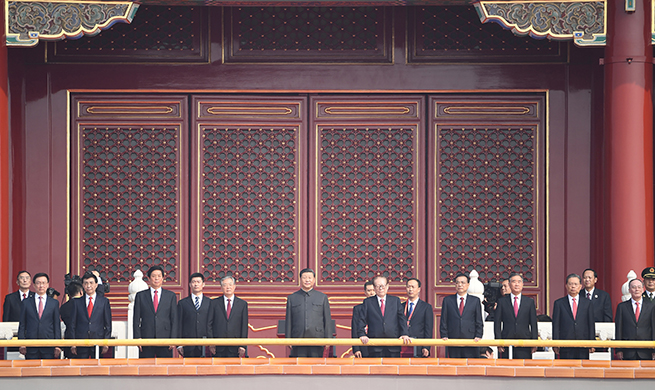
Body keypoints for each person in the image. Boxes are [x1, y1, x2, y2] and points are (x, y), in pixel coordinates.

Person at [357, 276, 411, 357]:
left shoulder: (395, 301)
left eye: (383, 285)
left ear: (388, 286)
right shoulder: (368, 302)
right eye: (378, 286)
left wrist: (404, 334)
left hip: (393, 344)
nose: (381, 288)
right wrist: (362, 334)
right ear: (374, 288)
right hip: (375, 345)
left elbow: (402, 319)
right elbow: (361, 320)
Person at [133, 265, 179, 358]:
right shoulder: (141, 296)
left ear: (162, 278)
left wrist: (173, 339)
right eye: (153, 276)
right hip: (146, 337)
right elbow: (136, 319)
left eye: (159, 276)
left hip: (165, 338)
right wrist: (137, 338)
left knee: (165, 368)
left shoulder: (170, 296)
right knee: (145, 367)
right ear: (149, 278)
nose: (156, 278)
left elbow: (174, 319)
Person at [285, 268, 332, 357]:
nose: (307, 280)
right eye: (304, 277)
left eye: (310, 277)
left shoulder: (322, 297)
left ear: (314, 280)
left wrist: (328, 338)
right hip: (297, 338)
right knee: (299, 368)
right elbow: (289, 320)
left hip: (317, 338)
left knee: (316, 367)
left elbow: (327, 319)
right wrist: (288, 338)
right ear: (300, 279)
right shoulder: (292, 298)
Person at [493, 273, 538, 359]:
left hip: (525, 342)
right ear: (509, 284)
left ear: (522, 284)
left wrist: (534, 342)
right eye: (514, 282)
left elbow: (533, 323)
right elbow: (497, 323)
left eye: (519, 282)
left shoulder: (529, 302)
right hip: (506, 341)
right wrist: (498, 341)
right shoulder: (502, 302)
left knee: (523, 370)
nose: (516, 284)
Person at [17, 273, 61, 359]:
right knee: (32, 371)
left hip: (49, 345)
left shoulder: (54, 303)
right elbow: (22, 324)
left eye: (44, 283)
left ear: (48, 284)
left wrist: (57, 345)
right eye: (38, 283)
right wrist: (22, 343)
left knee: (48, 371)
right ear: (33, 285)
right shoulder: (26, 302)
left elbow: (57, 325)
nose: (41, 285)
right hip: (31, 345)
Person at [440, 272, 483, 358]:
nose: (460, 285)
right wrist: (444, 335)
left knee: (470, 366)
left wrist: (478, 335)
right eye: (457, 282)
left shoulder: (475, 301)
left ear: (468, 285)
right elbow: (444, 319)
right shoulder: (448, 300)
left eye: (462, 282)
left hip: (470, 339)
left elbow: (478, 320)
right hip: (453, 338)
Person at [552, 273, 595, 359]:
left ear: (580, 286)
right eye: (570, 284)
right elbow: (556, 325)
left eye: (575, 284)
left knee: (582, 370)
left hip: (583, 343)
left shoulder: (587, 303)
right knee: (566, 370)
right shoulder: (559, 303)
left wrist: (592, 342)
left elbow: (591, 324)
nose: (573, 286)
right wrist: (555, 343)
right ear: (566, 286)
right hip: (565, 343)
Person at [70, 273, 112, 358]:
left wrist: (106, 343)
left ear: (96, 285)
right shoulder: (77, 302)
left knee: (96, 369)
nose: (88, 286)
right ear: (82, 285)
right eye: (86, 283)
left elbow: (108, 324)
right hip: (81, 341)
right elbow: (72, 324)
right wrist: (73, 343)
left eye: (91, 283)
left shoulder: (104, 302)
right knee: (82, 368)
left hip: (98, 341)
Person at [614, 278, 655, 360]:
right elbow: (619, 329)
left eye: (639, 287)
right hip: (628, 350)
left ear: (643, 289)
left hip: (646, 350)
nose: (637, 289)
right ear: (629, 290)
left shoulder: (651, 306)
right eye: (634, 287)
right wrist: (619, 349)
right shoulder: (622, 307)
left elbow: (654, 328)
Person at [177, 273, 213, 358]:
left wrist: (213, 343)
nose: (196, 284)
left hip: (206, 345)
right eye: (193, 282)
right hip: (188, 344)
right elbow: (179, 324)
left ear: (203, 284)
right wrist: (179, 344)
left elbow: (213, 323)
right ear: (190, 284)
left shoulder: (210, 303)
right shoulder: (182, 303)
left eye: (198, 282)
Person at [212, 275, 249, 357]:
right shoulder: (214, 303)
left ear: (234, 286)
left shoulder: (242, 304)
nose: (228, 287)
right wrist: (211, 343)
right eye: (225, 285)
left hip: (235, 346)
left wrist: (243, 345)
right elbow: (209, 324)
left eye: (230, 284)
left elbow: (244, 326)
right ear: (221, 287)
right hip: (218, 346)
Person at [403, 278, 433, 357]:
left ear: (419, 289)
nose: (410, 289)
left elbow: (428, 329)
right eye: (408, 287)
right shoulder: (401, 306)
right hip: (403, 344)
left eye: (413, 287)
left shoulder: (426, 307)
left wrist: (426, 346)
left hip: (418, 345)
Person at [352, 281, 375, 358]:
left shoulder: (382, 307)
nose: (371, 293)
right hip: (363, 346)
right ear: (365, 292)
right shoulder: (358, 309)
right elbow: (355, 329)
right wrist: (356, 349)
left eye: (373, 290)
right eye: (369, 290)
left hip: (378, 345)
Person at [60, 281, 83, 358]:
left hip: (68, 338)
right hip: (83, 338)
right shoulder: (83, 305)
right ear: (81, 292)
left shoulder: (63, 307)